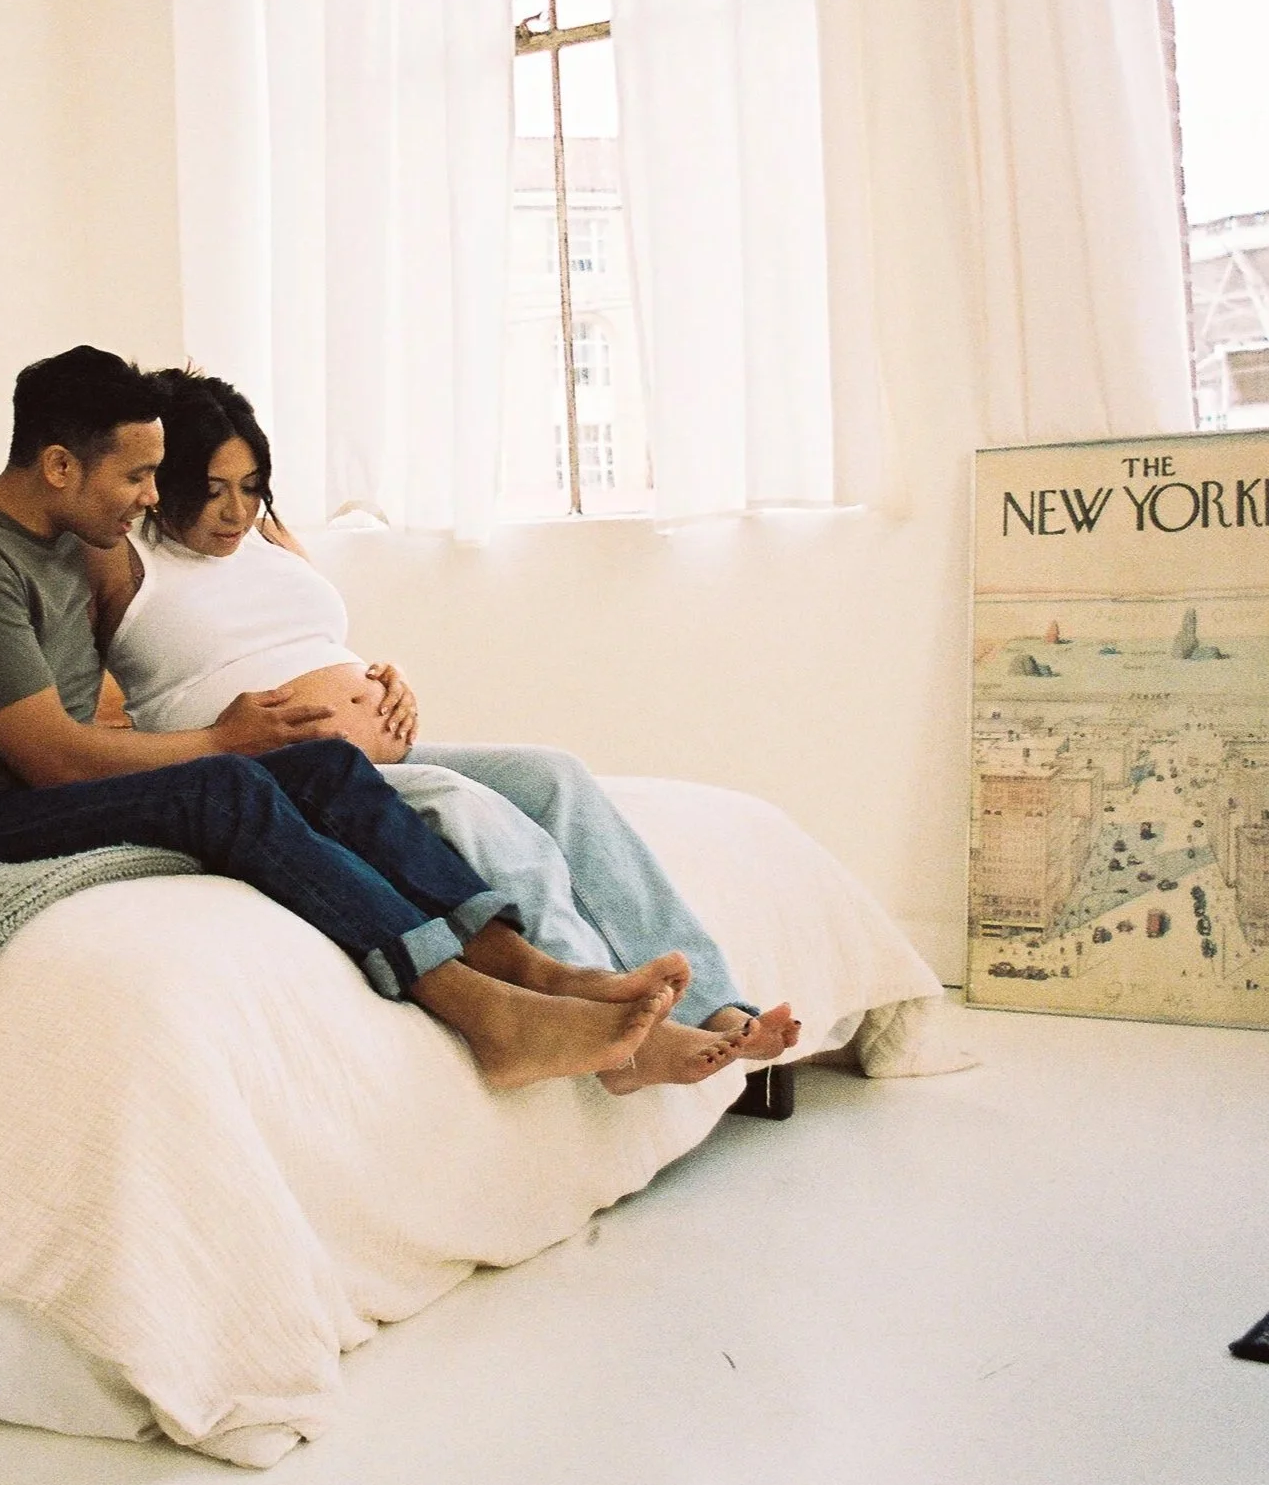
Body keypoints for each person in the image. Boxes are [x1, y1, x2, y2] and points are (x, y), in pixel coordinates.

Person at [0, 345, 678, 1091]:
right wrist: (221, 739)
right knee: (227, 788)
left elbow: (102, 698)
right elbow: (55, 761)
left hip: (29, 797)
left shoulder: (63, 538)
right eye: (135, 478)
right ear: (56, 465)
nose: (151, 497)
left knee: (325, 767)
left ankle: (531, 971)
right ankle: (480, 1010)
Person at [91, 368, 800, 1094]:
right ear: (160, 481)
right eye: (210, 489)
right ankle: (617, 1032)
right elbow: (81, 701)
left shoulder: (267, 538)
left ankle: (712, 1003)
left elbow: (306, 637)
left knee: (554, 774)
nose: (235, 510)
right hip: (289, 777)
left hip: (378, 755)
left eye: (250, 485)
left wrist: (378, 678)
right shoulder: (118, 558)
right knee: (469, 807)